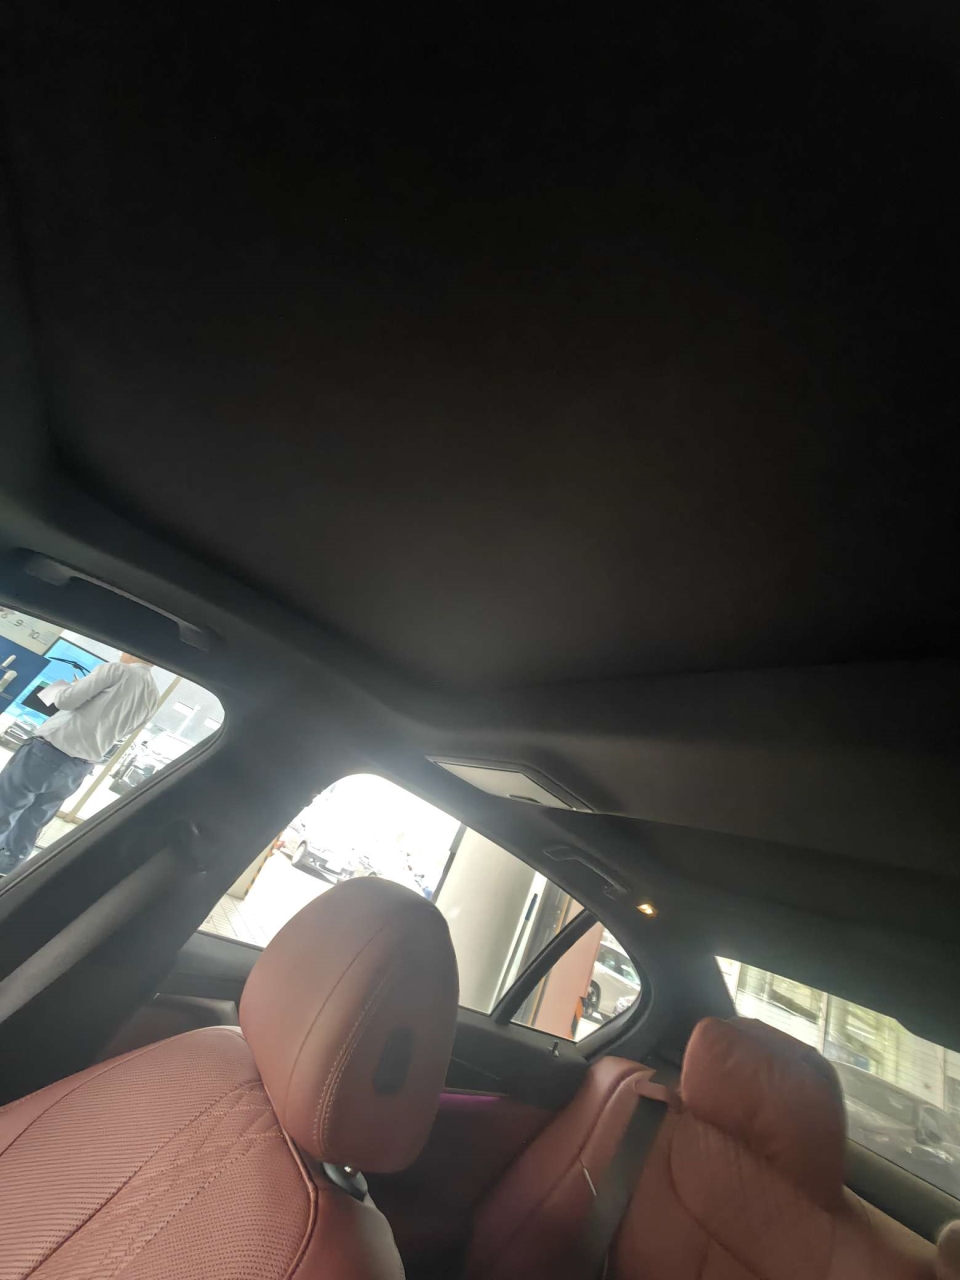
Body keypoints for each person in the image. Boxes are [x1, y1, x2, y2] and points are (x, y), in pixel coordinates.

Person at [0, 652, 160, 874]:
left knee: (6, 804)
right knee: (34, 819)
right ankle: (9, 869)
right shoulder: (153, 694)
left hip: (50, 749)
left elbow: (64, 700)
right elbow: (128, 729)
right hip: (80, 765)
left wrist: (73, 688)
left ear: (132, 651)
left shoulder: (116, 669)